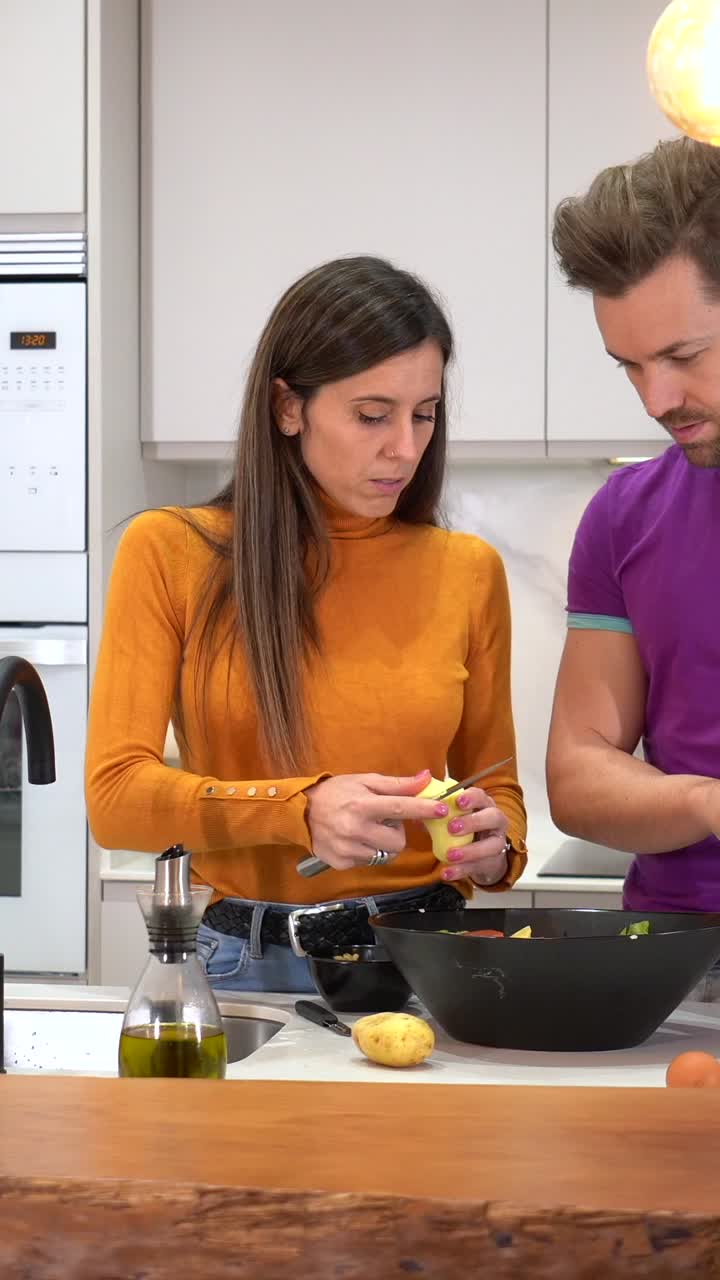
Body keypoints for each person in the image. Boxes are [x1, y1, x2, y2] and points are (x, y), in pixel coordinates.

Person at [85, 255, 527, 992]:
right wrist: (299, 808)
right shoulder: (171, 551)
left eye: (424, 414)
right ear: (289, 408)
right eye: (371, 415)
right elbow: (116, 800)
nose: (406, 449)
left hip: (430, 956)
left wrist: (494, 843)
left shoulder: (467, 570)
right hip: (242, 965)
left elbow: (499, 789)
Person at [547, 136, 720, 915]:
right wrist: (706, 805)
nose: (657, 400)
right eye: (630, 365)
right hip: (676, 966)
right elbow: (578, 775)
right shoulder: (624, 515)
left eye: (683, 355)